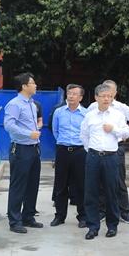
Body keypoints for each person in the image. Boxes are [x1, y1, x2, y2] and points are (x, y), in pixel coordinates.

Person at [80, 84, 129, 240]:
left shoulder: (117, 115)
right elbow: (84, 135)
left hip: (111, 157)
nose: (107, 99)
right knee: (91, 192)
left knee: (111, 192)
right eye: (103, 96)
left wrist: (113, 129)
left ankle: (112, 225)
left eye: (109, 96)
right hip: (93, 156)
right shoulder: (90, 115)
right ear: (96, 98)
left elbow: (126, 133)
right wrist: (91, 150)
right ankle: (92, 226)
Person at [86, 80, 129, 222]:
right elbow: (85, 131)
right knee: (99, 182)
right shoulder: (93, 107)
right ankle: (102, 211)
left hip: (116, 148)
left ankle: (123, 211)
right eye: (103, 91)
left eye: (110, 91)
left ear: (115, 93)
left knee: (118, 180)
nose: (106, 95)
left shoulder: (121, 108)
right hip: (96, 150)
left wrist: (124, 134)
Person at [0, 73, 42, 234]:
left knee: (32, 184)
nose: (35, 85)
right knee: (18, 186)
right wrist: (28, 133)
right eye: (33, 83)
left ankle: (28, 217)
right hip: (21, 149)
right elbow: (8, 125)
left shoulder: (32, 104)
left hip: (34, 148)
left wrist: (34, 134)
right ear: (24, 86)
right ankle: (14, 221)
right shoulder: (14, 104)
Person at [50, 84, 87, 228]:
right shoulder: (58, 112)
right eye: (69, 93)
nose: (71, 96)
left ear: (81, 97)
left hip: (80, 151)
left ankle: (83, 216)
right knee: (60, 184)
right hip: (63, 150)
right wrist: (63, 143)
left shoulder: (85, 114)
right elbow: (55, 131)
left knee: (80, 185)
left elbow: (87, 133)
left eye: (74, 94)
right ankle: (60, 216)